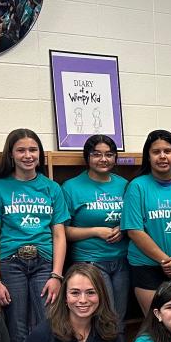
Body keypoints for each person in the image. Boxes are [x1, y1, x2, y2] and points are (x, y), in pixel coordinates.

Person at [0, 128, 67, 342]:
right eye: (21, 150)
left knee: (50, 329)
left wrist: (58, 275)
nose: (28, 155)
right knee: (17, 336)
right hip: (11, 263)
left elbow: (59, 234)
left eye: (33, 150)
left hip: (45, 263)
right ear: (11, 154)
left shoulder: (51, 188)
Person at [122, 130, 171, 317]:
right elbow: (134, 231)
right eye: (156, 152)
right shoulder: (137, 187)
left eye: (168, 151)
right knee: (155, 324)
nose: (163, 156)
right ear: (148, 157)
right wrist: (166, 261)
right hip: (148, 267)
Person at [61, 134, 129, 323]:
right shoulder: (71, 187)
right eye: (97, 154)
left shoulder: (124, 185)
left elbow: (135, 219)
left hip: (121, 261)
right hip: (90, 262)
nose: (103, 159)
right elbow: (63, 232)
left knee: (119, 318)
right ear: (87, 157)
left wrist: (123, 229)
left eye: (109, 154)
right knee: (102, 317)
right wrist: (95, 231)